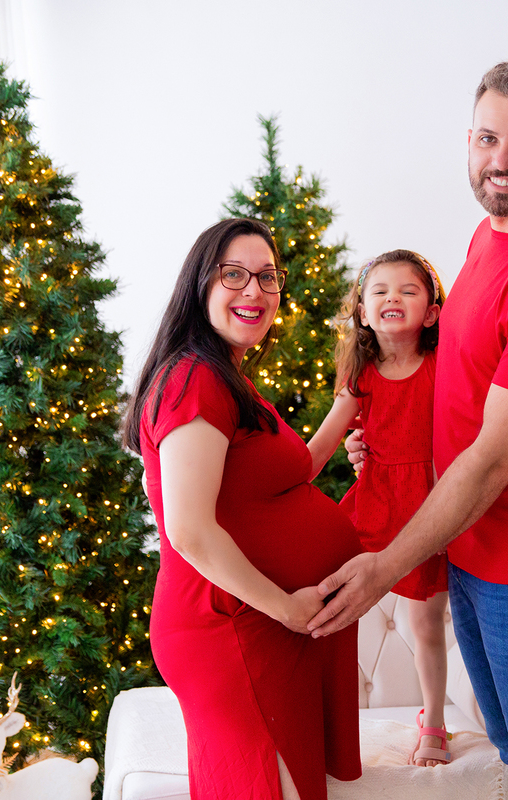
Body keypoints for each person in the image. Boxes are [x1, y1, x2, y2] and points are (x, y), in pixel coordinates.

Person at [307, 57, 508, 800]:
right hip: (473, 549)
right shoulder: (491, 234)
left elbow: (492, 460)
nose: (501, 161)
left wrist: (384, 567)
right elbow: (456, 386)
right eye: (488, 138)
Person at [121, 218, 362, 800]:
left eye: (267, 277)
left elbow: (293, 473)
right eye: (234, 275)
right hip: (231, 627)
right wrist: (287, 609)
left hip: (260, 623)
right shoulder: (195, 380)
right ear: (200, 284)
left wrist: (349, 404)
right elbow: (189, 529)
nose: (255, 291)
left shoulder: (226, 377)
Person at [306, 249, 452, 768]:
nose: (394, 298)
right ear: (363, 312)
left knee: (425, 624)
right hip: (375, 503)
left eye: (408, 291)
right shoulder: (361, 376)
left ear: (431, 313)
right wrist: (276, 485)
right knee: (324, 599)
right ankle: (316, 717)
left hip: (431, 510)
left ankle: (434, 722)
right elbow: (322, 445)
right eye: (380, 291)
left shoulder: (444, 366)